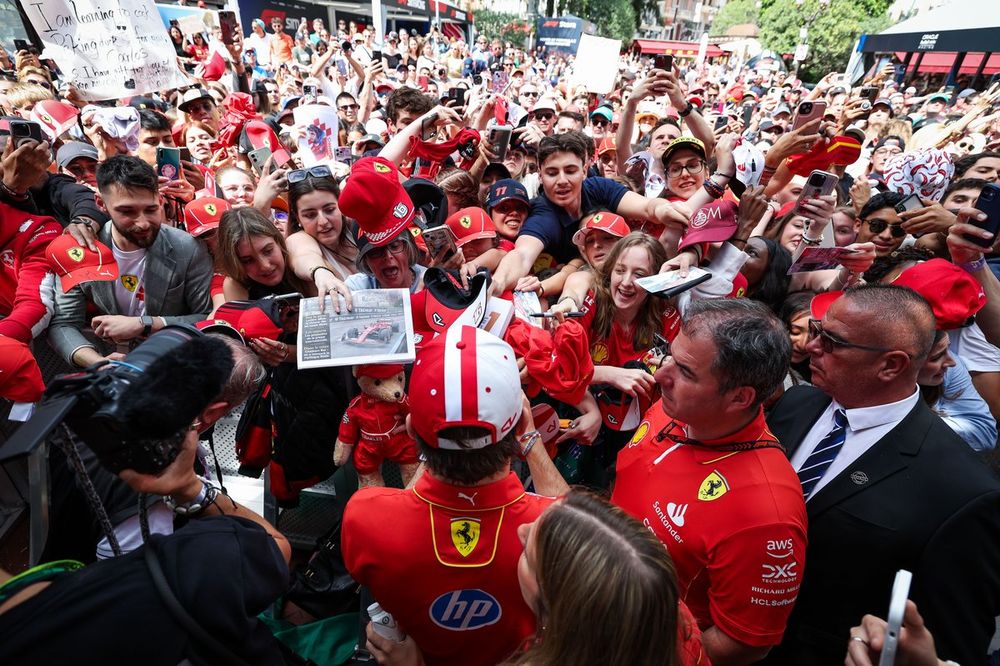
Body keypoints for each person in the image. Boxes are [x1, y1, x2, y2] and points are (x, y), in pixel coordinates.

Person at [0, 334, 299, 665]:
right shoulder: (150, 502)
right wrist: (189, 490)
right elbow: (274, 550)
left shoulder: (90, 427)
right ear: (212, 414)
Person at [764, 284, 1000, 664]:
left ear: (891, 365)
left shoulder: (963, 494)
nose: (811, 347)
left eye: (833, 342)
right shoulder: (797, 403)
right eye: (816, 330)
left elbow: (949, 646)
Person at [343, 326, 568, 666]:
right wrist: (530, 436)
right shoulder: (555, 531)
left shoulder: (364, 516)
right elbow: (578, 521)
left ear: (413, 429)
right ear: (519, 425)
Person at [613, 299, 807, 665]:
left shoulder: (767, 514)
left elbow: (743, 643)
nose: (660, 375)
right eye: (668, 355)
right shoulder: (674, 408)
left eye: (685, 371)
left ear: (740, 397)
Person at [48, 156, 212, 367]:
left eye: (151, 209)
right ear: (101, 204)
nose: (143, 223)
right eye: (127, 211)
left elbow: (207, 318)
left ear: (160, 200)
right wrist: (98, 363)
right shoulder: (78, 251)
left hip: (175, 365)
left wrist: (147, 324)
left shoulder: (188, 249)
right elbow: (63, 324)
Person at [491, 131, 689, 294]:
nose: (561, 180)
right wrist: (498, 283)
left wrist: (664, 210)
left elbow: (648, 207)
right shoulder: (542, 214)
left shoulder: (598, 187)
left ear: (584, 171)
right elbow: (522, 255)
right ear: (540, 176)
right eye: (552, 173)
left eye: (570, 171)